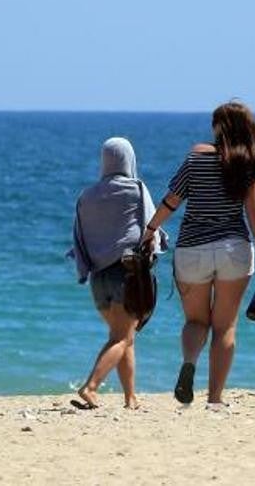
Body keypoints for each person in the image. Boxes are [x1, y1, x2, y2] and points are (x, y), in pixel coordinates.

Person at [139, 101, 255, 407]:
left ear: (219, 128)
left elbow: (172, 201)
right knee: (224, 326)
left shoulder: (196, 158)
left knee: (195, 322)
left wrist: (150, 230)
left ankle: (189, 363)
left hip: (192, 250)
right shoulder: (250, 164)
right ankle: (215, 398)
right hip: (234, 250)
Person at [67, 137, 166, 410]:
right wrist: (159, 248)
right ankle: (91, 387)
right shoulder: (136, 189)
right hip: (127, 275)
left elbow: (78, 238)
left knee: (124, 335)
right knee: (121, 337)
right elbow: (151, 226)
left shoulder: (85, 196)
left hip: (98, 278)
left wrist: (84, 269)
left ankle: (130, 398)